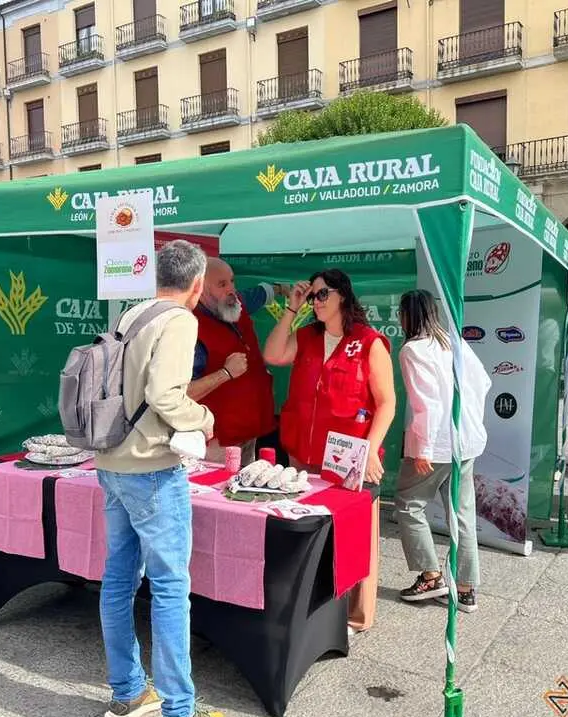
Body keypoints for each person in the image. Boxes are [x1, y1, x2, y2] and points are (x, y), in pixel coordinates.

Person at [92, 241, 223, 717]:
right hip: (150, 469)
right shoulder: (181, 320)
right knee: (170, 588)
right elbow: (166, 396)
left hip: (111, 463)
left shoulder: (133, 314)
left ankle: (128, 692)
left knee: (118, 579)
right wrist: (204, 417)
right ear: (196, 284)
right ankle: (179, 710)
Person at [263, 269, 395, 634]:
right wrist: (292, 309)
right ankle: (314, 604)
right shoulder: (305, 336)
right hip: (303, 453)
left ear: (342, 296)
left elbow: (387, 403)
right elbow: (273, 354)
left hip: (350, 455)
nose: (316, 302)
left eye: (322, 295)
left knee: (355, 534)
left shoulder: (370, 343)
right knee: (309, 529)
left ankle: (357, 616)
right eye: (312, 296)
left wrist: (370, 450)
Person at [395, 290, 490, 613]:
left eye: (400, 312)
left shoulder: (412, 350)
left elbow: (426, 403)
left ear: (407, 316)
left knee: (408, 504)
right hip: (466, 441)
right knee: (462, 513)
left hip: (435, 444)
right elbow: (483, 384)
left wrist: (421, 446)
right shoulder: (455, 343)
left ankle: (431, 575)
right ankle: (466, 588)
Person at [189, 259, 286, 466]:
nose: (231, 289)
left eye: (232, 281)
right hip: (216, 443)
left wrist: (283, 289)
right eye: (222, 284)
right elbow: (184, 392)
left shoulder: (234, 301)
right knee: (217, 495)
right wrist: (225, 373)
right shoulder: (190, 328)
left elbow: (260, 294)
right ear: (200, 289)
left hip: (249, 431)